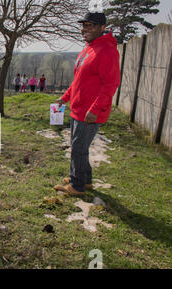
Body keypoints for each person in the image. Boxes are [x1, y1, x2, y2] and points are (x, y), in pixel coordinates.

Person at [53, 12, 120, 196]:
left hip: (89, 112)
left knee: (79, 149)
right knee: (79, 147)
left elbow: (111, 84)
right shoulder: (88, 48)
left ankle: (77, 186)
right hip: (78, 108)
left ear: (102, 28)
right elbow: (78, 81)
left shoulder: (106, 50)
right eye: (84, 25)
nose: (85, 29)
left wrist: (95, 109)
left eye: (90, 25)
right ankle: (85, 180)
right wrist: (64, 98)